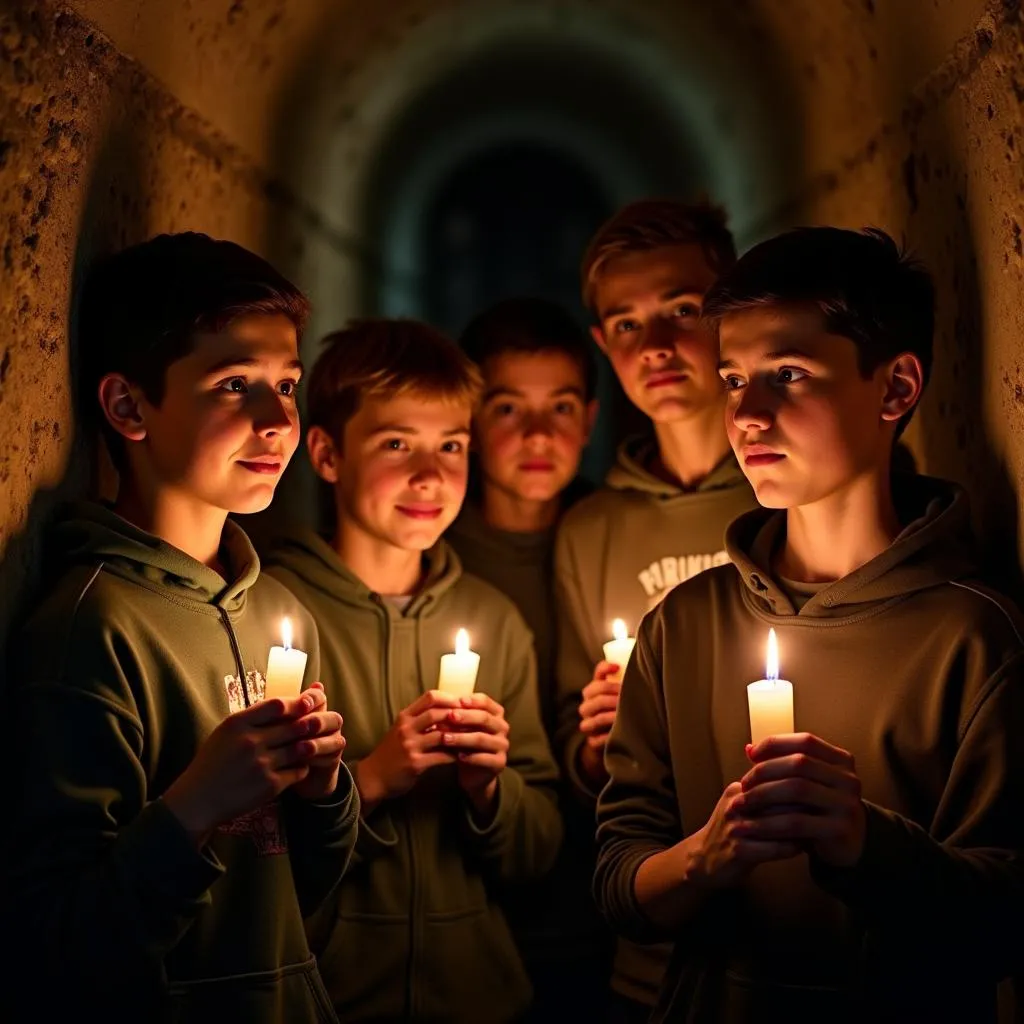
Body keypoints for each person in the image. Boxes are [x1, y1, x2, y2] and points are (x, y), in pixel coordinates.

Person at [594, 226, 1024, 1022]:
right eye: (732, 379)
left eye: (787, 375)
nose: (747, 414)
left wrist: (866, 845)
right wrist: (703, 859)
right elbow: (620, 880)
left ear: (896, 388)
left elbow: (1006, 916)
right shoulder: (684, 625)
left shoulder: (975, 636)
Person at [7, 233, 358, 1023]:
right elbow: (54, 948)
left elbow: (301, 890)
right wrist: (193, 805)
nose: (277, 421)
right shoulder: (91, 631)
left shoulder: (279, 612)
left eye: (288, 385)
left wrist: (324, 789)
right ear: (129, 407)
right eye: (235, 385)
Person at [265, 318, 563, 1024]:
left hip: (481, 997)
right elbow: (251, 858)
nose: (430, 475)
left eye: (452, 445)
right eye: (397, 443)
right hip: (324, 998)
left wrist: (491, 790)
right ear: (328, 454)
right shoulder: (274, 612)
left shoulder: (494, 620)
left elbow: (540, 849)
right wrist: (368, 781)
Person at [555, 200, 757, 1019]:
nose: (659, 346)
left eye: (683, 309)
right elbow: (586, 763)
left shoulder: (793, 493)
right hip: (653, 956)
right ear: (603, 345)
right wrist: (599, 746)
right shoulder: (592, 528)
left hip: (802, 939)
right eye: (627, 323)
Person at [447, 296, 603, 1020]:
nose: (539, 433)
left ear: (592, 419)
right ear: (470, 424)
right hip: (471, 910)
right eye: (508, 409)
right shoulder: (428, 554)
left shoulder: (611, 537)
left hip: (607, 908)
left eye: (563, 407)